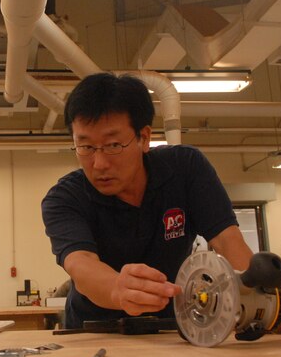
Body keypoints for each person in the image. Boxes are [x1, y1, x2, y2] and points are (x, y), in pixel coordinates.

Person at [41, 73, 254, 329]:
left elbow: (228, 240)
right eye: (85, 147)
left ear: (144, 137)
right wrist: (117, 289)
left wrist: (260, 294)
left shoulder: (185, 169)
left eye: (113, 145)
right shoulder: (65, 198)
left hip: (173, 329)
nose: (99, 164)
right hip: (93, 331)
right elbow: (81, 262)